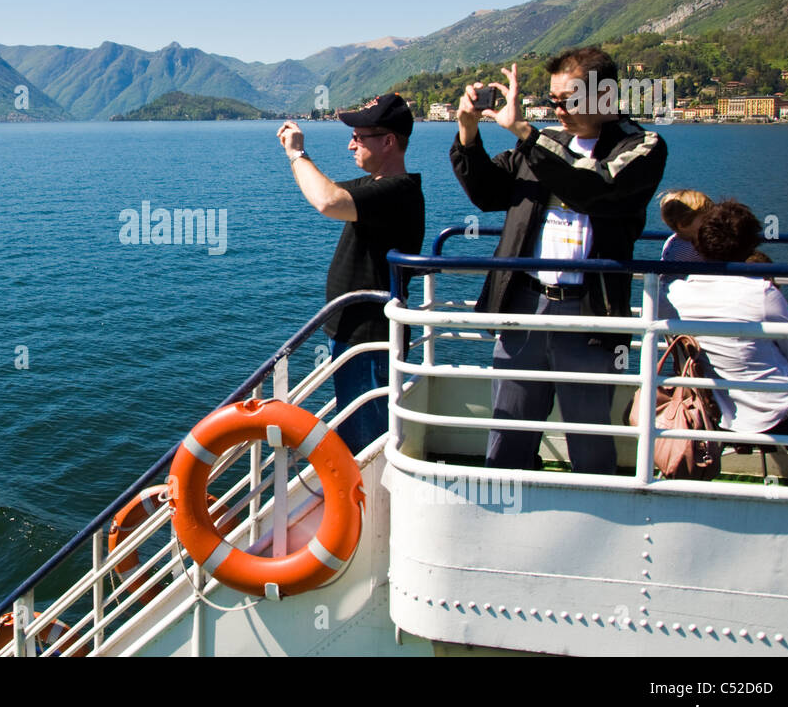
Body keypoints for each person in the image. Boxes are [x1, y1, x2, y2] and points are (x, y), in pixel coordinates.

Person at [450, 46, 667, 474]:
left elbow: (596, 187)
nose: (557, 109)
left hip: (591, 313)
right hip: (524, 305)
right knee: (508, 431)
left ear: (605, 96)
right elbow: (489, 192)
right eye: (552, 100)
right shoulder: (547, 142)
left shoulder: (642, 146)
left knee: (589, 438)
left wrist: (529, 134)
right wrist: (468, 133)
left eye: (567, 100)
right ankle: (505, 512)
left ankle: (597, 522)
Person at [277, 94, 424, 455]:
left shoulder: (398, 192)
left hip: (369, 340)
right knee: (355, 428)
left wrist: (297, 153)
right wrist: (297, 158)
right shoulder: (377, 186)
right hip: (354, 337)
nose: (350, 144)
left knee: (366, 442)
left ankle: (370, 508)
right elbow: (326, 193)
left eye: (359, 137)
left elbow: (327, 201)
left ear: (388, 141)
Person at [664, 200, 788, 437]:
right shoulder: (761, 292)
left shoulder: (677, 293)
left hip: (725, 415)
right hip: (781, 412)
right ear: (750, 245)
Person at [659, 189, 712, 263]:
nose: (711, 220)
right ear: (682, 225)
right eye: (704, 218)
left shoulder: (673, 240)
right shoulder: (692, 248)